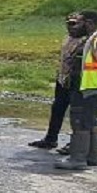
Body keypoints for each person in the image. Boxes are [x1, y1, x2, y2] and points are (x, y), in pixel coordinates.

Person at [55, 11, 97, 171]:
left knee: (80, 122)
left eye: (80, 22)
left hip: (91, 88)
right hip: (90, 87)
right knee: (90, 121)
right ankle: (92, 157)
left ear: (90, 23)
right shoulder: (91, 39)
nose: (76, 25)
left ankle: (77, 159)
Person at [28, 13, 84, 151]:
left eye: (74, 24)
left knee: (76, 114)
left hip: (77, 81)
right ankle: (51, 138)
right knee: (57, 109)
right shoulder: (68, 38)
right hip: (63, 79)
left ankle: (75, 143)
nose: (71, 27)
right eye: (69, 23)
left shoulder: (86, 41)